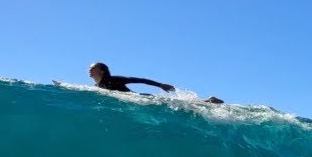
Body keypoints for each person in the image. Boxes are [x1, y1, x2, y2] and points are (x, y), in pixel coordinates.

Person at [88, 62, 223, 104]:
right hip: (136, 102)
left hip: (142, 98)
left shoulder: (113, 80)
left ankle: (208, 100)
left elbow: (139, 80)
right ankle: (207, 101)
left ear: (102, 71)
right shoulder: (98, 87)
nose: (89, 70)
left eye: (92, 68)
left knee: (178, 105)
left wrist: (160, 85)